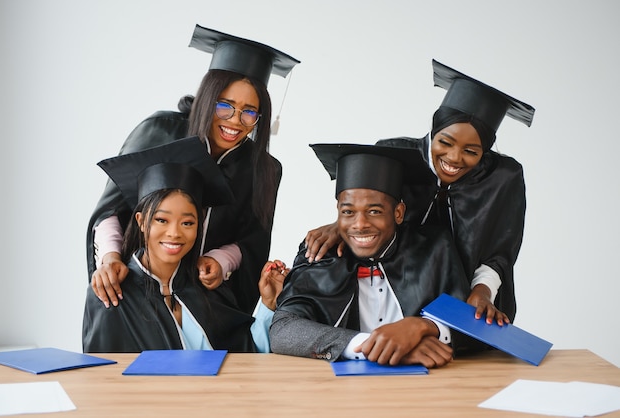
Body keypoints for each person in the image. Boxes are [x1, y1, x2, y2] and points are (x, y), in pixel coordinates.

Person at [86, 25, 300, 314]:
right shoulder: (161, 131)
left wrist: (221, 260)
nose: (236, 121)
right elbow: (111, 210)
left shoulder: (264, 168)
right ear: (206, 97)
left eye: (250, 112)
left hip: (207, 304)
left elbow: (252, 242)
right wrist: (111, 258)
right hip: (138, 292)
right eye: (225, 106)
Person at [304, 60, 535, 324]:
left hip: (470, 301)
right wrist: (340, 225)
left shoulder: (502, 177)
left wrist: (482, 291)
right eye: (444, 142)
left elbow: (500, 251)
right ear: (433, 132)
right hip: (399, 295)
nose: (454, 158)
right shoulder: (396, 156)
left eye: (471, 151)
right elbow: (366, 206)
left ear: (485, 151)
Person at [270, 143, 471, 368]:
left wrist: (423, 327)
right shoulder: (319, 253)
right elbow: (283, 330)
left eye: (374, 211)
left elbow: (468, 318)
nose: (360, 224)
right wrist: (371, 346)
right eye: (348, 212)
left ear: (398, 213)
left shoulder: (434, 247)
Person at [82, 137, 289, 353]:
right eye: (162, 220)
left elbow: (248, 356)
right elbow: (102, 378)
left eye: (188, 223)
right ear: (141, 222)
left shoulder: (207, 290)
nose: (174, 233)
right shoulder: (111, 294)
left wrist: (268, 305)